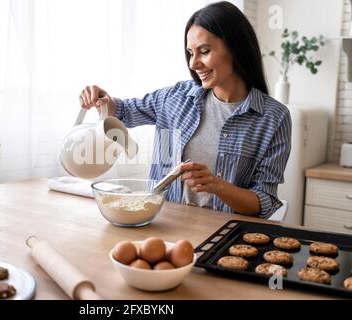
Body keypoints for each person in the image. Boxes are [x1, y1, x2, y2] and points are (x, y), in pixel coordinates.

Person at [79, 1, 291, 219]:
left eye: (204, 51)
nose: (193, 63)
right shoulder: (176, 98)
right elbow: (124, 110)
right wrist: (103, 100)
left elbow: (263, 202)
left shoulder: (273, 118)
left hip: (223, 236)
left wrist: (217, 185)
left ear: (236, 48)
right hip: (166, 225)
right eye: (190, 53)